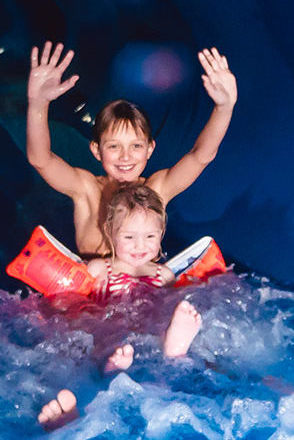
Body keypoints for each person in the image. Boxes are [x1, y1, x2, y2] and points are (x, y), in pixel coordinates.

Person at [24, 41, 238, 257]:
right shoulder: (86, 189)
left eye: (136, 146)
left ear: (150, 149)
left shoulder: (158, 189)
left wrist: (224, 107)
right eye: (114, 146)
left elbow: (200, 156)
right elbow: (40, 160)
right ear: (96, 150)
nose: (125, 157)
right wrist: (38, 103)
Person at [37, 183, 204, 430]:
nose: (140, 246)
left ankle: (172, 348)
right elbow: (77, 304)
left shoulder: (164, 274)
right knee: (99, 336)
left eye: (150, 237)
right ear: (110, 232)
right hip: (110, 332)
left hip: (145, 334)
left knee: (158, 330)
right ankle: (94, 393)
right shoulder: (100, 268)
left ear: (162, 232)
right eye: (129, 237)